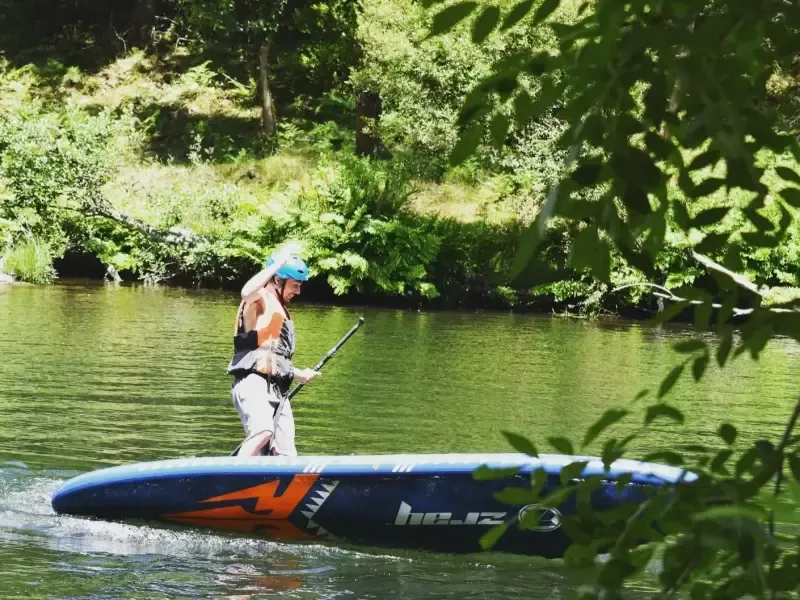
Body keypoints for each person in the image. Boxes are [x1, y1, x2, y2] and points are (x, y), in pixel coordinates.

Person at [227, 248, 319, 457]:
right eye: (295, 285)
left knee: (286, 453)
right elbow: (245, 292)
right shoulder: (259, 299)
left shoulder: (281, 310)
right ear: (278, 280)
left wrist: (300, 374)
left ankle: (279, 486)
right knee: (263, 432)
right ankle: (233, 477)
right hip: (253, 383)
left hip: (278, 390)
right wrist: (276, 265)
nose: (298, 292)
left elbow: (272, 360)